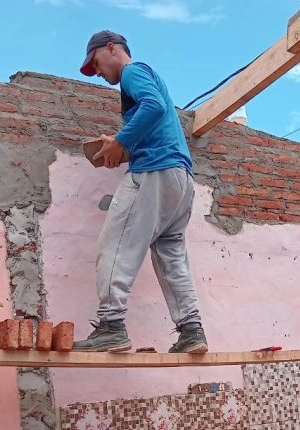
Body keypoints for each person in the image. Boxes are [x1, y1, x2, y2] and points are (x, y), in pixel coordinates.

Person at [75, 30, 208, 354]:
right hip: (180, 179)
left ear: (111, 48)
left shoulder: (133, 72)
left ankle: (111, 326)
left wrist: (121, 141)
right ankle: (191, 330)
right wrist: (123, 150)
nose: (100, 73)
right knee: (171, 256)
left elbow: (153, 106)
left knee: (115, 243)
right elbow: (157, 121)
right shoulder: (145, 76)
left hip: (155, 173)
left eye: (97, 63)